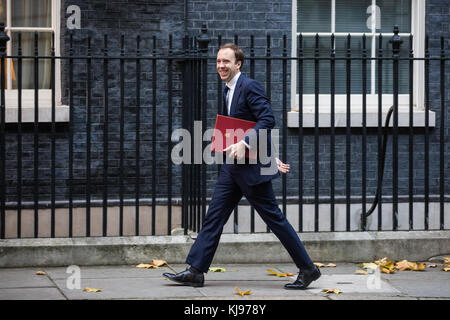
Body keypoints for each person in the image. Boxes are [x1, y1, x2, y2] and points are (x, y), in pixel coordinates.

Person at [163, 43, 320, 289]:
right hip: (232, 167)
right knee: (214, 217)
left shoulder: (248, 86)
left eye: (226, 61)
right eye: (218, 61)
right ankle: (196, 270)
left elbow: (267, 119)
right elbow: (239, 126)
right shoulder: (228, 89)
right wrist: (265, 153)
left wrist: (249, 147)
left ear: (238, 64)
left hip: (250, 170)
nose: (221, 66)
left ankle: (308, 269)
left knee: (275, 219)